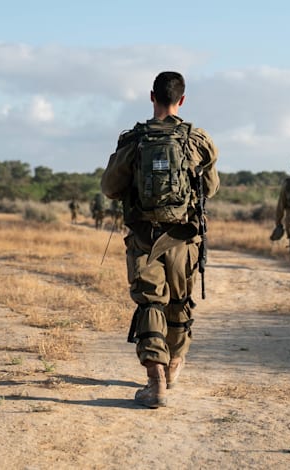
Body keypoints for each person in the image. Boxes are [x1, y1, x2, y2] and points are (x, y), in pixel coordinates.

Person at [101, 71, 219, 408]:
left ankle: (155, 385)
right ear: (182, 100)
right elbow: (210, 188)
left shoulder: (133, 140)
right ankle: (174, 364)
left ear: (151, 96)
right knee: (179, 301)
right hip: (184, 237)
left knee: (150, 303)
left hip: (144, 237)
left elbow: (110, 188)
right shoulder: (198, 140)